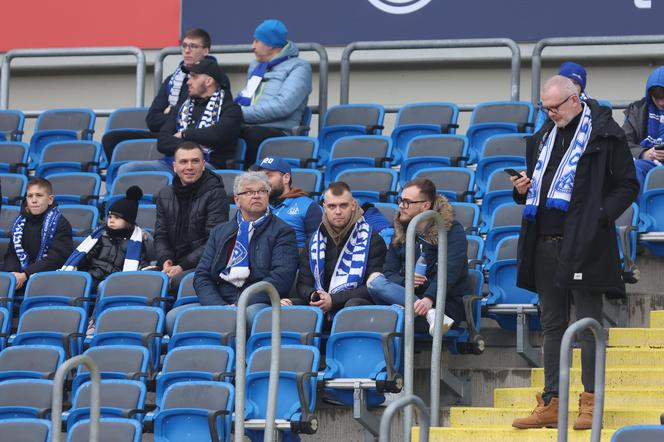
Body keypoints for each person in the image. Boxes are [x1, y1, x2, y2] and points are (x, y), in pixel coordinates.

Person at [510, 76, 638, 430]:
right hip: (544, 242)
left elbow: (627, 184)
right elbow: (541, 186)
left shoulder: (605, 133)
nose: (549, 114)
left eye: (554, 107)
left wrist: (600, 216)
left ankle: (590, 402)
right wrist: (523, 190)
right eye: (544, 108)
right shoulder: (541, 139)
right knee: (551, 325)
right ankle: (552, 401)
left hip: (585, 244)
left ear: (575, 99)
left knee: (587, 325)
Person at [193, 171, 299, 324]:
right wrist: (219, 306)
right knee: (173, 317)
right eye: (249, 192)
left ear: (268, 195)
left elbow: (281, 277)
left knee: (246, 316)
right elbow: (202, 276)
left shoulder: (283, 231)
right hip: (222, 299)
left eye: (262, 191)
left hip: (257, 300)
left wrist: (241, 303)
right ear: (237, 200)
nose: (256, 196)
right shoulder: (220, 232)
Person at [365, 178, 466, 336]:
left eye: (406, 202)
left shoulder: (452, 230)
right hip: (407, 304)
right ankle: (429, 314)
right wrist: (407, 281)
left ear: (425, 205)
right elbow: (389, 271)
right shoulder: (399, 233)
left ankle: (429, 312)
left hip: (443, 307)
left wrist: (429, 299)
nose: (400, 206)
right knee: (374, 280)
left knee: (385, 322)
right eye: (400, 200)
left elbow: (450, 271)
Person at [101, 28, 215, 160]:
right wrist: (175, 114)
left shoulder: (212, 80)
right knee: (111, 139)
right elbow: (152, 120)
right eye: (184, 46)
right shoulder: (172, 80)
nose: (187, 50)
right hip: (165, 135)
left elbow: (196, 118)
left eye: (193, 46)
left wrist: (171, 111)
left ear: (205, 51)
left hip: (190, 139)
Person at [117, 58, 242, 174]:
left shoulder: (231, 110)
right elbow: (163, 142)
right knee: (127, 169)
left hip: (207, 167)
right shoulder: (181, 108)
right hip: (170, 164)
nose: (188, 82)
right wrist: (196, 144)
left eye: (194, 77)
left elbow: (216, 135)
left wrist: (184, 135)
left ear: (209, 81)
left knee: (186, 173)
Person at [292, 181, 386, 317]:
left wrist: (334, 300)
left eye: (343, 205)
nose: (338, 211)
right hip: (320, 304)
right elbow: (303, 284)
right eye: (332, 206)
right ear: (324, 207)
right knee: (285, 305)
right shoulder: (313, 241)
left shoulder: (372, 239)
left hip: (355, 305)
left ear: (353, 205)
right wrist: (315, 296)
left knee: (352, 306)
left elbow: (374, 286)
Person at [236, 19, 312, 167]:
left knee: (252, 135)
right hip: (249, 125)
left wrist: (239, 113)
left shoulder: (299, 68)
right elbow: (246, 96)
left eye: (257, 41)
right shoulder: (256, 66)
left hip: (279, 131)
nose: (252, 46)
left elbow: (283, 105)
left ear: (271, 44)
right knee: (220, 131)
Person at [154, 142, 229, 290]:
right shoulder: (164, 194)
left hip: (204, 264)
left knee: (176, 282)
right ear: (174, 166)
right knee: (146, 280)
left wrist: (182, 266)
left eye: (195, 161)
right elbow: (161, 235)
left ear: (203, 164)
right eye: (183, 162)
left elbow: (215, 241)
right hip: (173, 264)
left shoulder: (216, 193)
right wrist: (166, 260)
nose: (189, 167)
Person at [61, 186, 149, 287]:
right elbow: (88, 255)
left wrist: (147, 269)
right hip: (94, 274)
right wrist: (76, 265)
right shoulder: (101, 236)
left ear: (129, 222)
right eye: (110, 217)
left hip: (114, 280)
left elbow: (141, 262)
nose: (111, 220)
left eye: (117, 218)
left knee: (103, 287)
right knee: (78, 283)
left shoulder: (135, 242)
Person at [3, 178, 73, 289]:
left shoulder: (61, 224)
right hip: (19, 279)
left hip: (48, 281)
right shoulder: (19, 223)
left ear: (50, 200)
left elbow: (55, 259)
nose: (34, 200)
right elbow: (12, 254)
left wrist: (26, 274)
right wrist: (12, 275)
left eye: (39, 195)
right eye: (30, 196)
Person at [254, 156, 322, 248]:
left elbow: (315, 249)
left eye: (268, 176)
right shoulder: (256, 205)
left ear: (286, 178)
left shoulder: (308, 206)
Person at [622, 65, 664, 193]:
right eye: (657, 97)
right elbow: (622, 142)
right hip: (647, 162)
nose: (661, 102)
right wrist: (644, 153)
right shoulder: (638, 110)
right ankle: (641, 212)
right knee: (633, 168)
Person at [535, 61, 588, 131]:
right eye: (566, 82)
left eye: (575, 83)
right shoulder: (546, 107)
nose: (570, 86)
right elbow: (538, 132)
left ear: (582, 88)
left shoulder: (590, 108)